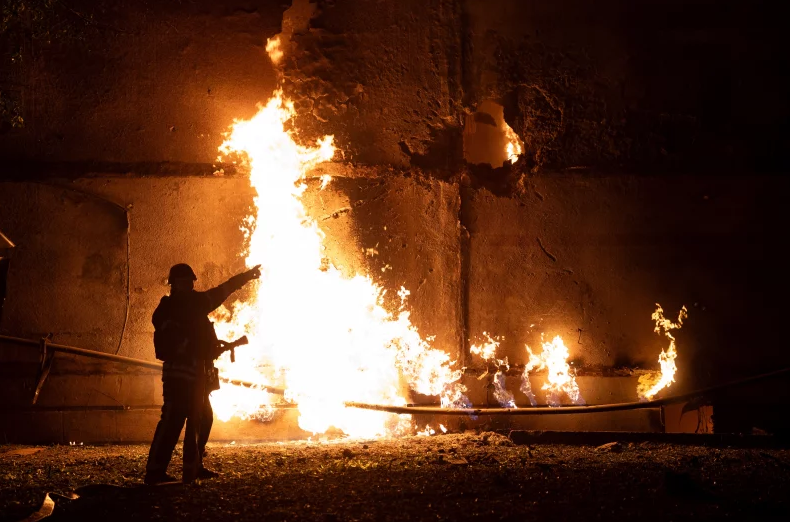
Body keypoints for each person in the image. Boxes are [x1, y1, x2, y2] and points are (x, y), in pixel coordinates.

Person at [144, 262, 260, 485]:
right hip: (178, 376)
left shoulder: (196, 304)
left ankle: (194, 466)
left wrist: (245, 276)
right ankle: (155, 472)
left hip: (197, 374)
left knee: (203, 418)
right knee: (172, 421)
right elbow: (166, 331)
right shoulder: (169, 309)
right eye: (182, 281)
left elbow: (223, 290)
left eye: (189, 281)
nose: (187, 284)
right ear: (173, 284)